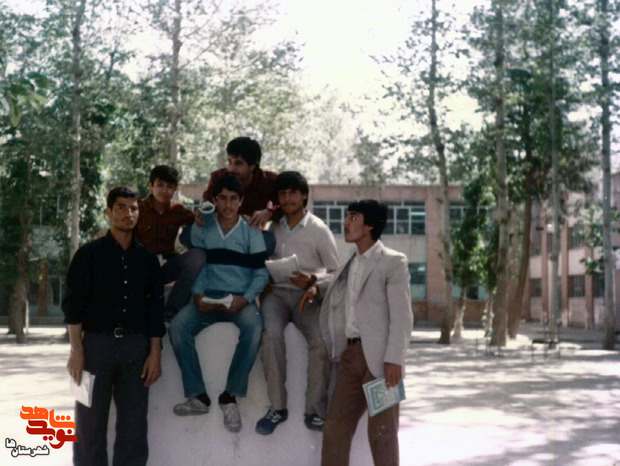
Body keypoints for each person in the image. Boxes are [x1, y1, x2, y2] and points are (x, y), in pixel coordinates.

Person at [301, 200, 412, 466]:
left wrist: (394, 359)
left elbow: (402, 316)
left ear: (370, 225)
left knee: (382, 435)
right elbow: (336, 282)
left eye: (352, 217)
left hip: (382, 362)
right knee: (334, 429)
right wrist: (315, 286)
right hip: (350, 358)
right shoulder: (351, 261)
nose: (345, 222)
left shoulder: (393, 262)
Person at [63, 187, 165, 466]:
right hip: (94, 348)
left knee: (134, 429)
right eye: (121, 207)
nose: (128, 213)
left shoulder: (147, 260)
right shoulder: (88, 254)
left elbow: (155, 310)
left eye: (133, 208)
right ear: (108, 212)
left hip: (135, 350)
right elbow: (73, 307)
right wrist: (76, 351)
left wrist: (155, 353)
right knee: (88, 428)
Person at [169, 174, 269, 433]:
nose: (228, 204)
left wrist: (245, 299)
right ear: (213, 200)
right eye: (222, 198)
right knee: (178, 327)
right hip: (208, 297)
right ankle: (198, 396)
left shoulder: (251, 231)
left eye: (233, 199)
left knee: (254, 327)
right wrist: (198, 295)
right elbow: (200, 267)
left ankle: (230, 396)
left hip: (239, 299)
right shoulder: (205, 228)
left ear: (241, 201)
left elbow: (261, 273)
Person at [255, 171, 339, 435]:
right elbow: (258, 261)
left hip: (307, 297)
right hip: (275, 295)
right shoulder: (273, 227)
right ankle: (277, 408)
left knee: (322, 341)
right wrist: (264, 279)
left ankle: (314, 411)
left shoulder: (319, 230)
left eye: (293, 192)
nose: (287, 198)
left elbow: (337, 273)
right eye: (282, 193)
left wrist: (314, 281)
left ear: (304, 196)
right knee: (270, 335)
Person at [134, 165, 205, 320]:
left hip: (167, 265)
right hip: (142, 266)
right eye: (160, 185)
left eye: (169, 186)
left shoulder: (178, 210)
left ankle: (173, 310)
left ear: (175, 190)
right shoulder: (138, 209)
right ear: (151, 186)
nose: (164, 191)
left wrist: (202, 216)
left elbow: (197, 220)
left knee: (197, 256)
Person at [202, 136, 279, 229]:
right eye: (230, 162)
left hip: (253, 232)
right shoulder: (218, 177)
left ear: (252, 166)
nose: (231, 169)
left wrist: (269, 212)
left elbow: (288, 206)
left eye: (238, 163)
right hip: (222, 231)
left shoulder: (269, 181)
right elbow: (207, 206)